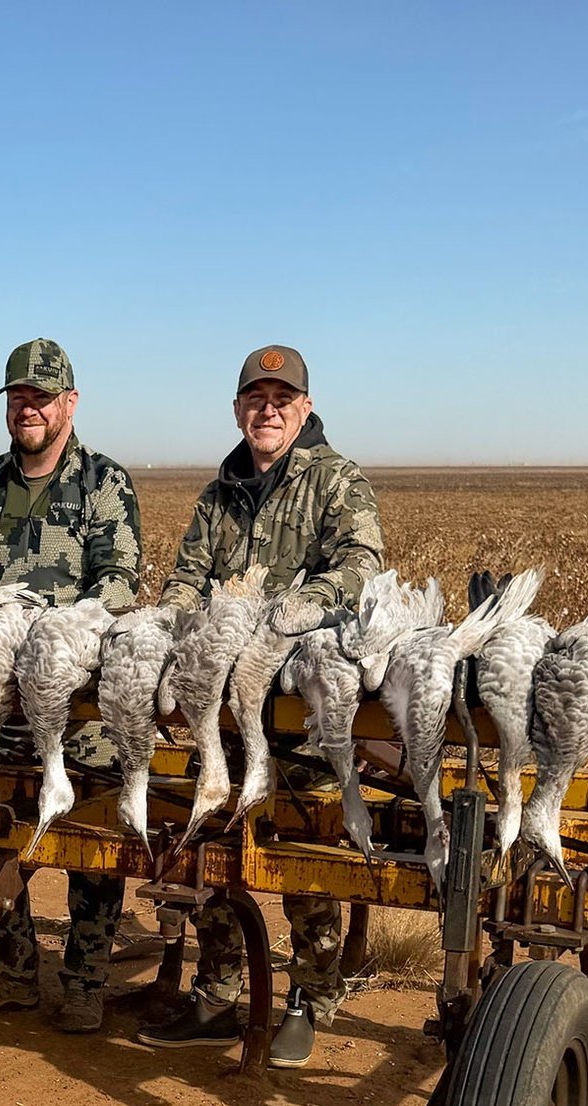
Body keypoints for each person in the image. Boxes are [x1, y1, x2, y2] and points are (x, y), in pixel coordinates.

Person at [140, 345, 385, 1064]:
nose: (268, 409)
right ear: (239, 407)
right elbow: (186, 576)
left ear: (305, 408)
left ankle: (310, 994)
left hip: (301, 698)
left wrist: (287, 614)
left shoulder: (336, 480)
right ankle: (217, 992)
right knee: (213, 841)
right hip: (225, 705)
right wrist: (176, 629)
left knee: (307, 849)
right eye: (255, 398)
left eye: (282, 398)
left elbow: (360, 567)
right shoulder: (221, 493)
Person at [0, 339, 143, 1034]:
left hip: (78, 699)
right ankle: (12, 968)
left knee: (94, 834)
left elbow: (118, 584)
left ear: (69, 403)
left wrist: (54, 634)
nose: (29, 408)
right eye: (18, 397)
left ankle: (84, 978)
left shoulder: (105, 482)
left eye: (42, 397)